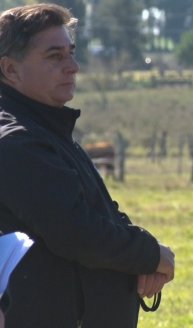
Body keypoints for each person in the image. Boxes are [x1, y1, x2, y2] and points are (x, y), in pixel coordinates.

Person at [0, 4, 175, 327]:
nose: (73, 67)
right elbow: (76, 232)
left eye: (71, 53)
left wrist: (140, 257)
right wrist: (151, 255)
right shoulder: (17, 141)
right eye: (55, 57)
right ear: (11, 70)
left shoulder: (45, 129)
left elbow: (99, 210)